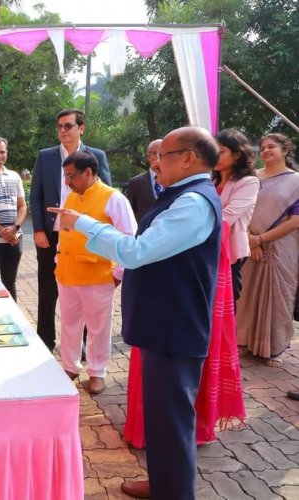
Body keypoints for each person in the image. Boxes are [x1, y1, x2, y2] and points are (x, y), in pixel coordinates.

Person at [50, 126, 222, 500]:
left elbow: (136, 251)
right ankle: (164, 481)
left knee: (173, 418)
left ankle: (176, 491)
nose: (156, 163)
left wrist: (82, 224)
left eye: (165, 155)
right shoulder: (180, 195)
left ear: (190, 158)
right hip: (163, 322)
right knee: (160, 416)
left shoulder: (193, 202)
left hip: (176, 326)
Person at [124, 220, 245, 448]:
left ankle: (174, 453)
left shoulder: (197, 205)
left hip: (184, 309)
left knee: (175, 389)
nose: (158, 180)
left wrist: (88, 226)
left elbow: (139, 250)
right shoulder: (185, 201)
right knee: (163, 384)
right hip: (164, 305)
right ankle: (164, 448)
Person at [29, 109, 112, 352]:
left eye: (68, 126)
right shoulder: (46, 156)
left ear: (81, 128)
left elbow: (105, 193)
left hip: (84, 236)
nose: (63, 131)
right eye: (60, 127)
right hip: (51, 235)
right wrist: (38, 230)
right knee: (47, 290)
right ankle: (45, 340)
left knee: (85, 292)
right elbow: (35, 196)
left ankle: (85, 344)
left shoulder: (96, 156)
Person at [55, 151, 136, 394]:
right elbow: (64, 234)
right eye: (66, 177)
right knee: (69, 324)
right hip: (67, 274)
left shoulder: (113, 198)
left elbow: (129, 237)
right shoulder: (70, 197)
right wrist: (58, 259)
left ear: (88, 173)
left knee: (98, 327)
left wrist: (117, 274)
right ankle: (70, 365)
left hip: (97, 276)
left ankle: (97, 372)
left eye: (72, 176)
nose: (68, 182)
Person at [236, 133, 299, 367]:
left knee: (279, 295)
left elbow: (295, 221)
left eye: (271, 146)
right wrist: (251, 240)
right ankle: (242, 340)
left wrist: (261, 238)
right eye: (262, 147)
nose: (265, 151)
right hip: (249, 242)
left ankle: (272, 347)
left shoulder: (296, 181)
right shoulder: (252, 178)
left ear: (285, 150)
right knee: (246, 293)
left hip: (283, 246)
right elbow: (243, 211)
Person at [213, 129, 260, 303]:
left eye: (221, 151)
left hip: (229, 251)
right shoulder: (211, 181)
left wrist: (195, 224)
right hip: (206, 249)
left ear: (237, 154)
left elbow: (228, 216)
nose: (215, 155)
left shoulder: (249, 182)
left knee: (227, 299)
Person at [0, 137, 27, 299]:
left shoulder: (15, 176)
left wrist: (15, 228)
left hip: (15, 239)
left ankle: (13, 322)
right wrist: (2, 231)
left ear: (7, 153)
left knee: (9, 282)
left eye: (2, 152)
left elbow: (22, 206)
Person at [125, 139, 162, 222]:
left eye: (162, 153)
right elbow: (129, 212)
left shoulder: (175, 179)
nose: (159, 157)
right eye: (155, 153)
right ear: (148, 156)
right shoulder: (135, 183)